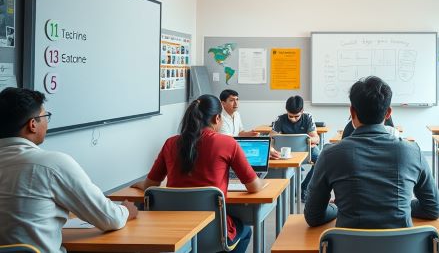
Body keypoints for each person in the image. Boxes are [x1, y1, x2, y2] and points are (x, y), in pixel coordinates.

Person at [0, 87, 138, 252]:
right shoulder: (51, 164)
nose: (47, 122)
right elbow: (109, 218)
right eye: (45, 116)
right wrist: (125, 211)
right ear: (32, 125)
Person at [133, 94, 266, 253]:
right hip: (214, 234)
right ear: (217, 118)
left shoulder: (170, 143)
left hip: (173, 232)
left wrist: (137, 184)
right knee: (245, 231)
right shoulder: (227, 143)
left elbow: (150, 186)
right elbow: (254, 187)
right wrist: (263, 182)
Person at [304, 76, 439, 227]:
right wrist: (402, 206)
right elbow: (433, 209)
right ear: (388, 113)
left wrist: (338, 207)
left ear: (352, 112)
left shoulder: (330, 155)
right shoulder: (413, 152)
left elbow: (313, 216)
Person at [271, 95, 320, 199]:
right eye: (290, 116)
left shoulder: (308, 117)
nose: (293, 119)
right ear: (286, 111)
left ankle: (304, 187)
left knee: (322, 160)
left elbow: (316, 139)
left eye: (296, 116)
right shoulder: (280, 119)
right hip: (285, 152)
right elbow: (271, 138)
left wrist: (307, 141)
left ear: (302, 111)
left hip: (306, 150)